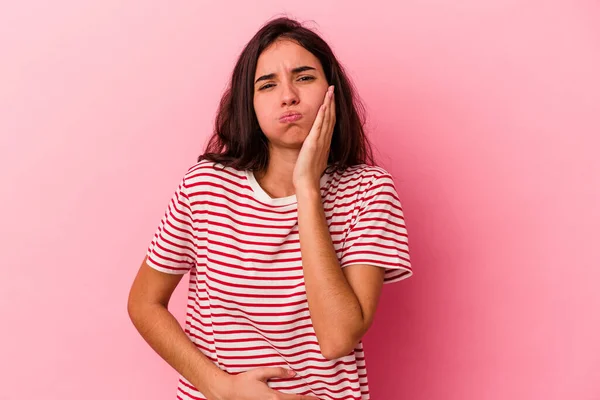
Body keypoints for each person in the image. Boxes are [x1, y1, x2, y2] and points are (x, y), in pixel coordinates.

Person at [127, 16, 412, 400]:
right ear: (251, 103)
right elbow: (144, 303)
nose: (288, 95)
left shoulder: (368, 191)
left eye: (304, 77)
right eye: (267, 84)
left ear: (332, 91)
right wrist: (220, 387)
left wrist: (307, 189)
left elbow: (337, 338)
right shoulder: (205, 185)